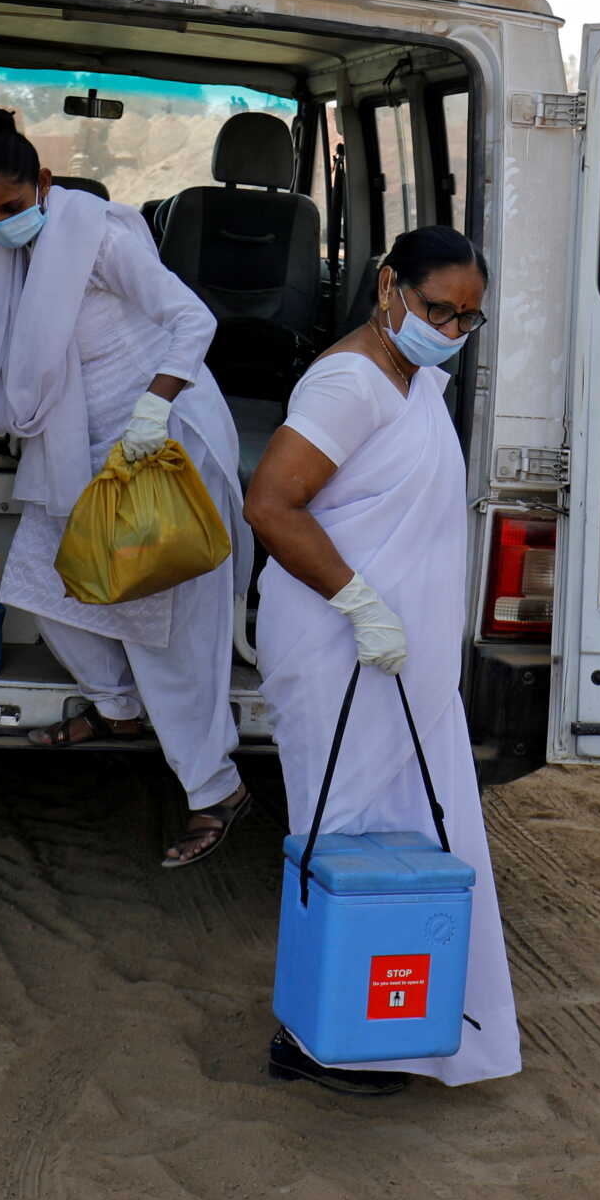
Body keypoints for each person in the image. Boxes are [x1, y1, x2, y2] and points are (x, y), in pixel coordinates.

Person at [244, 226, 521, 1095]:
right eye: (437, 308)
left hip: (397, 660)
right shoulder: (348, 383)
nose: (448, 328)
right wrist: (362, 604)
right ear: (387, 287)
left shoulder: (417, 379)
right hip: (341, 645)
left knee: (404, 831)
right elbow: (271, 505)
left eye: (467, 318)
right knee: (348, 829)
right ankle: (314, 1035)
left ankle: (392, 1026)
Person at [0, 108, 256, 868]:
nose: (0, 224)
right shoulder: (19, 257)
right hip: (83, 454)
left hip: (160, 447)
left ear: (46, 184)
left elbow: (191, 320)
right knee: (42, 589)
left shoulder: (101, 236)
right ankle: (118, 714)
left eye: (11, 207)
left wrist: (154, 407)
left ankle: (215, 790)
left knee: (166, 632)